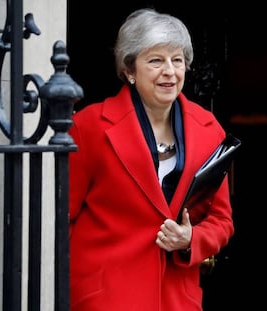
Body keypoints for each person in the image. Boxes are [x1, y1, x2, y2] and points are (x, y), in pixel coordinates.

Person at [68, 7, 235, 311]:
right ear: (129, 70)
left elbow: (221, 221)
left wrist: (190, 239)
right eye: (156, 60)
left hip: (176, 297)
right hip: (105, 296)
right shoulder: (90, 126)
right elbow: (60, 219)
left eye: (177, 60)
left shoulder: (209, 130)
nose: (169, 71)